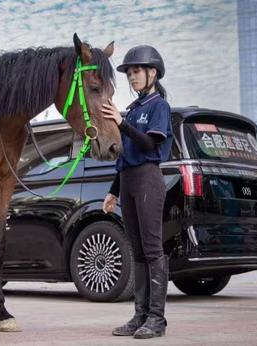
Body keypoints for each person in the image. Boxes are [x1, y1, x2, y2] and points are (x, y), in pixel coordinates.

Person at [101, 45, 173, 339]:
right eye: (129, 73)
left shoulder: (159, 106)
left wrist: (122, 123)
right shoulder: (133, 109)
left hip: (148, 179)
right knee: (138, 251)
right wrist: (113, 190)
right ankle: (139, 315)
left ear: (152, 72)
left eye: (136, 72)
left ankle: (157, 319)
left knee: (153, 248)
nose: (132, 77)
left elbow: (148, 145)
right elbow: (125, 154)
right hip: (128, 180)